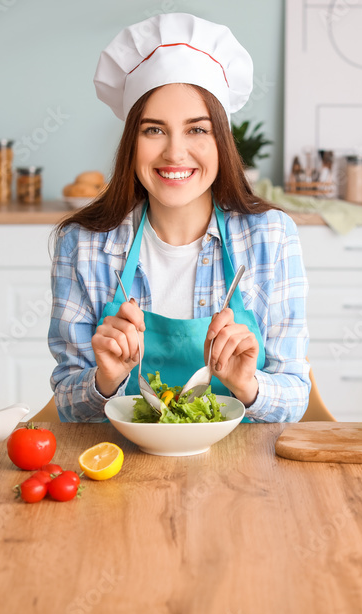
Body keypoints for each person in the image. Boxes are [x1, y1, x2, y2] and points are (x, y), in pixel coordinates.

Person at [48, 13, 310, 423]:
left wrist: (248, 385)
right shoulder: (83, 245)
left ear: (220, 140)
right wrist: (104, 381)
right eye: (154, 130)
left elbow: (296, 395)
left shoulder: (271, 238)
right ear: (131, 141)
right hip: (121, 470)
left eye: (196, 130)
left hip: (242, 473)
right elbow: (65, 401)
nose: (174, 153)